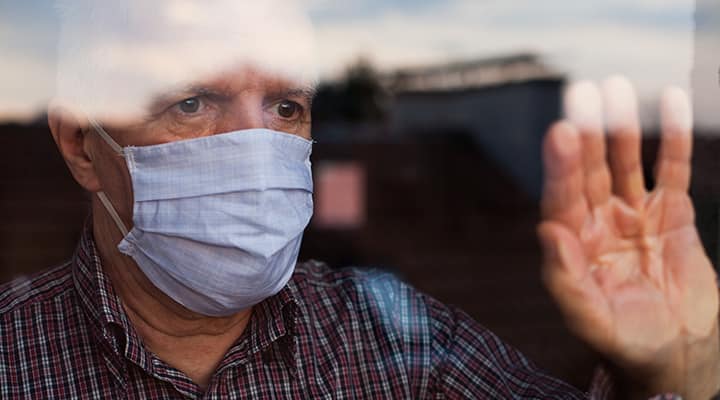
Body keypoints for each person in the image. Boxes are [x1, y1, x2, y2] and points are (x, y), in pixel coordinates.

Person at [1, 1, 718, 398]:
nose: (255, 151)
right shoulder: (11, 359)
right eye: (191, 102)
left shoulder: (399, 340)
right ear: (78, 145)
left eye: (286, 107)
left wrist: (680, 365)